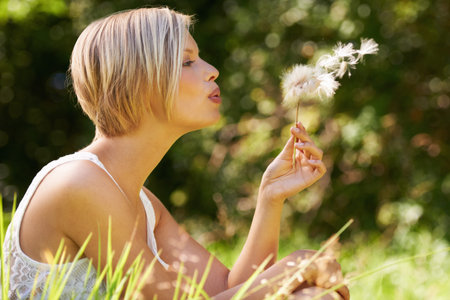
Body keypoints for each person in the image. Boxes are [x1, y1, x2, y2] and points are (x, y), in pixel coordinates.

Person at [2, 7, 349, 299]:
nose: (211, 70)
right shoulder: (78, 184)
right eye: (187, 62)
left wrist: (270, 197)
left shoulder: (142, 203)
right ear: (137, 81)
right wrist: (299, 264)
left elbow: (228, 290)